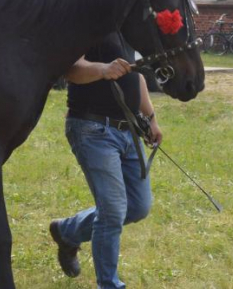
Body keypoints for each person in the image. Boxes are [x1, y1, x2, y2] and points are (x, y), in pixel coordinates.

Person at [49, 32, 162, 289]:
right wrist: (103, 69)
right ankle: (109, 284)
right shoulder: (89, 19)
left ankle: (67, 232)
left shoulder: (127, 24)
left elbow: (137, 76)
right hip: (92, 128)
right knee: (112, 210)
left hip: (129, 129)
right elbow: (70, 69)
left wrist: (151, 119)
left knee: (138, 206)